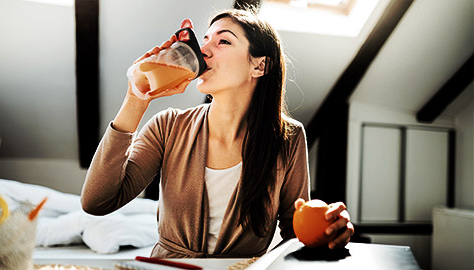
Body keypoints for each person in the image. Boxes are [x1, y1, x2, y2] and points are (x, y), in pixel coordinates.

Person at [81, 8, 354, 258]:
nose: (204, 51)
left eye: (223, 41)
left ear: (260, 66)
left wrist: (328, 233)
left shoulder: (288, 138)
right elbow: (97, 202)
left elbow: (296, 231)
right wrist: (136, 99)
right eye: (205, 40)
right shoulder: (168, 126)